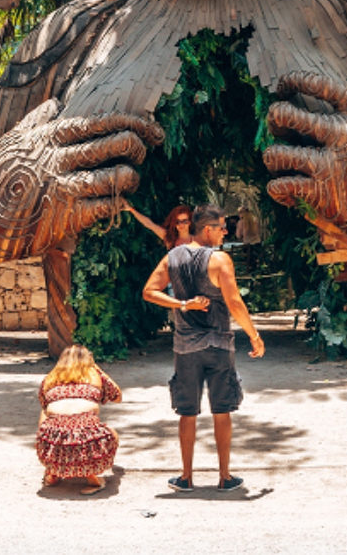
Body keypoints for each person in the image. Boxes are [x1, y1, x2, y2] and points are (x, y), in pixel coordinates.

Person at [141, 204, 264, 492]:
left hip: (185, 347)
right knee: (222, 411)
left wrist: (182, 304)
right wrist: (254, 336)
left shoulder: (172, 257)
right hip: (219, 343)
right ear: (207, 229)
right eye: (222, 227)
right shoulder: (220, 260)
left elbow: (149, 291)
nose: (226, 231)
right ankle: (224, 477)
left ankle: (185, 478)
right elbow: (234, 303)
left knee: (187, 412)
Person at [37, 344, 124, 495]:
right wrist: (98, 369)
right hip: (86, 439)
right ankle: (93, 478)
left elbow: (44, 408)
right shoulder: (94, 375)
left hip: (54, 439)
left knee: (50, 417)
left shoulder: (49, 379)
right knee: (110, 433)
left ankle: (52, 469)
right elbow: (117, 397)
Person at [122, 200, 192, 249]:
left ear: (190, 222)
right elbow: (149, 224)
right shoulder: (170, 239)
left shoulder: (197, 240)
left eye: (185, 221)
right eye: (178, 222)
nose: (181, 224)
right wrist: (131, 209)